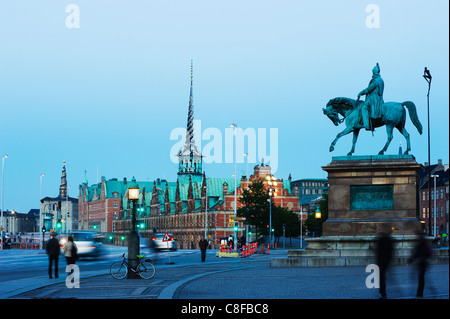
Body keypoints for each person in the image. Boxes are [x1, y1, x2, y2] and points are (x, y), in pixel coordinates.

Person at [358, 63, 384, 131]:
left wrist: (361, 93)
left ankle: (366, 125)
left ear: (374, 72)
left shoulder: (376, 80)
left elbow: (369, 89)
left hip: (374, 99)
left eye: (372, 72)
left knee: (364, 108)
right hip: (378, 98)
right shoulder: (380, 80)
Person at [407, 231, 433, 298]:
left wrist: (409, 262)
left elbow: (416, 254)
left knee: (421, 278)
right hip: (424, 263)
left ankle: (420, 293)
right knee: (421, 278)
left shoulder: (420, 244)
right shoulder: (424, 243)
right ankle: (420, 293)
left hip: (421, 263)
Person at [375, 225, 394, 299]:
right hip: (386, 262)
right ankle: (382, 293)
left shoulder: (381, 239)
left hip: (382, 263)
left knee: (382, 278)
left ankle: (383, 294)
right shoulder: (389, 239)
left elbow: (380, 253)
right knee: (383, 277)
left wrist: (380, 263)